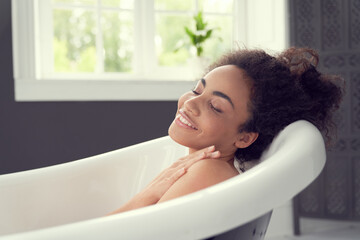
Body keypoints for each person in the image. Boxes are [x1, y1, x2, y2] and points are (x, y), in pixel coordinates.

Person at [108, 47, 344, 215]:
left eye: (215, 106)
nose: (190, 103)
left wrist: (147, 195)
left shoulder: (208, 170)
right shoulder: (208, 169)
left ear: (245, 137)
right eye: (197, 90)